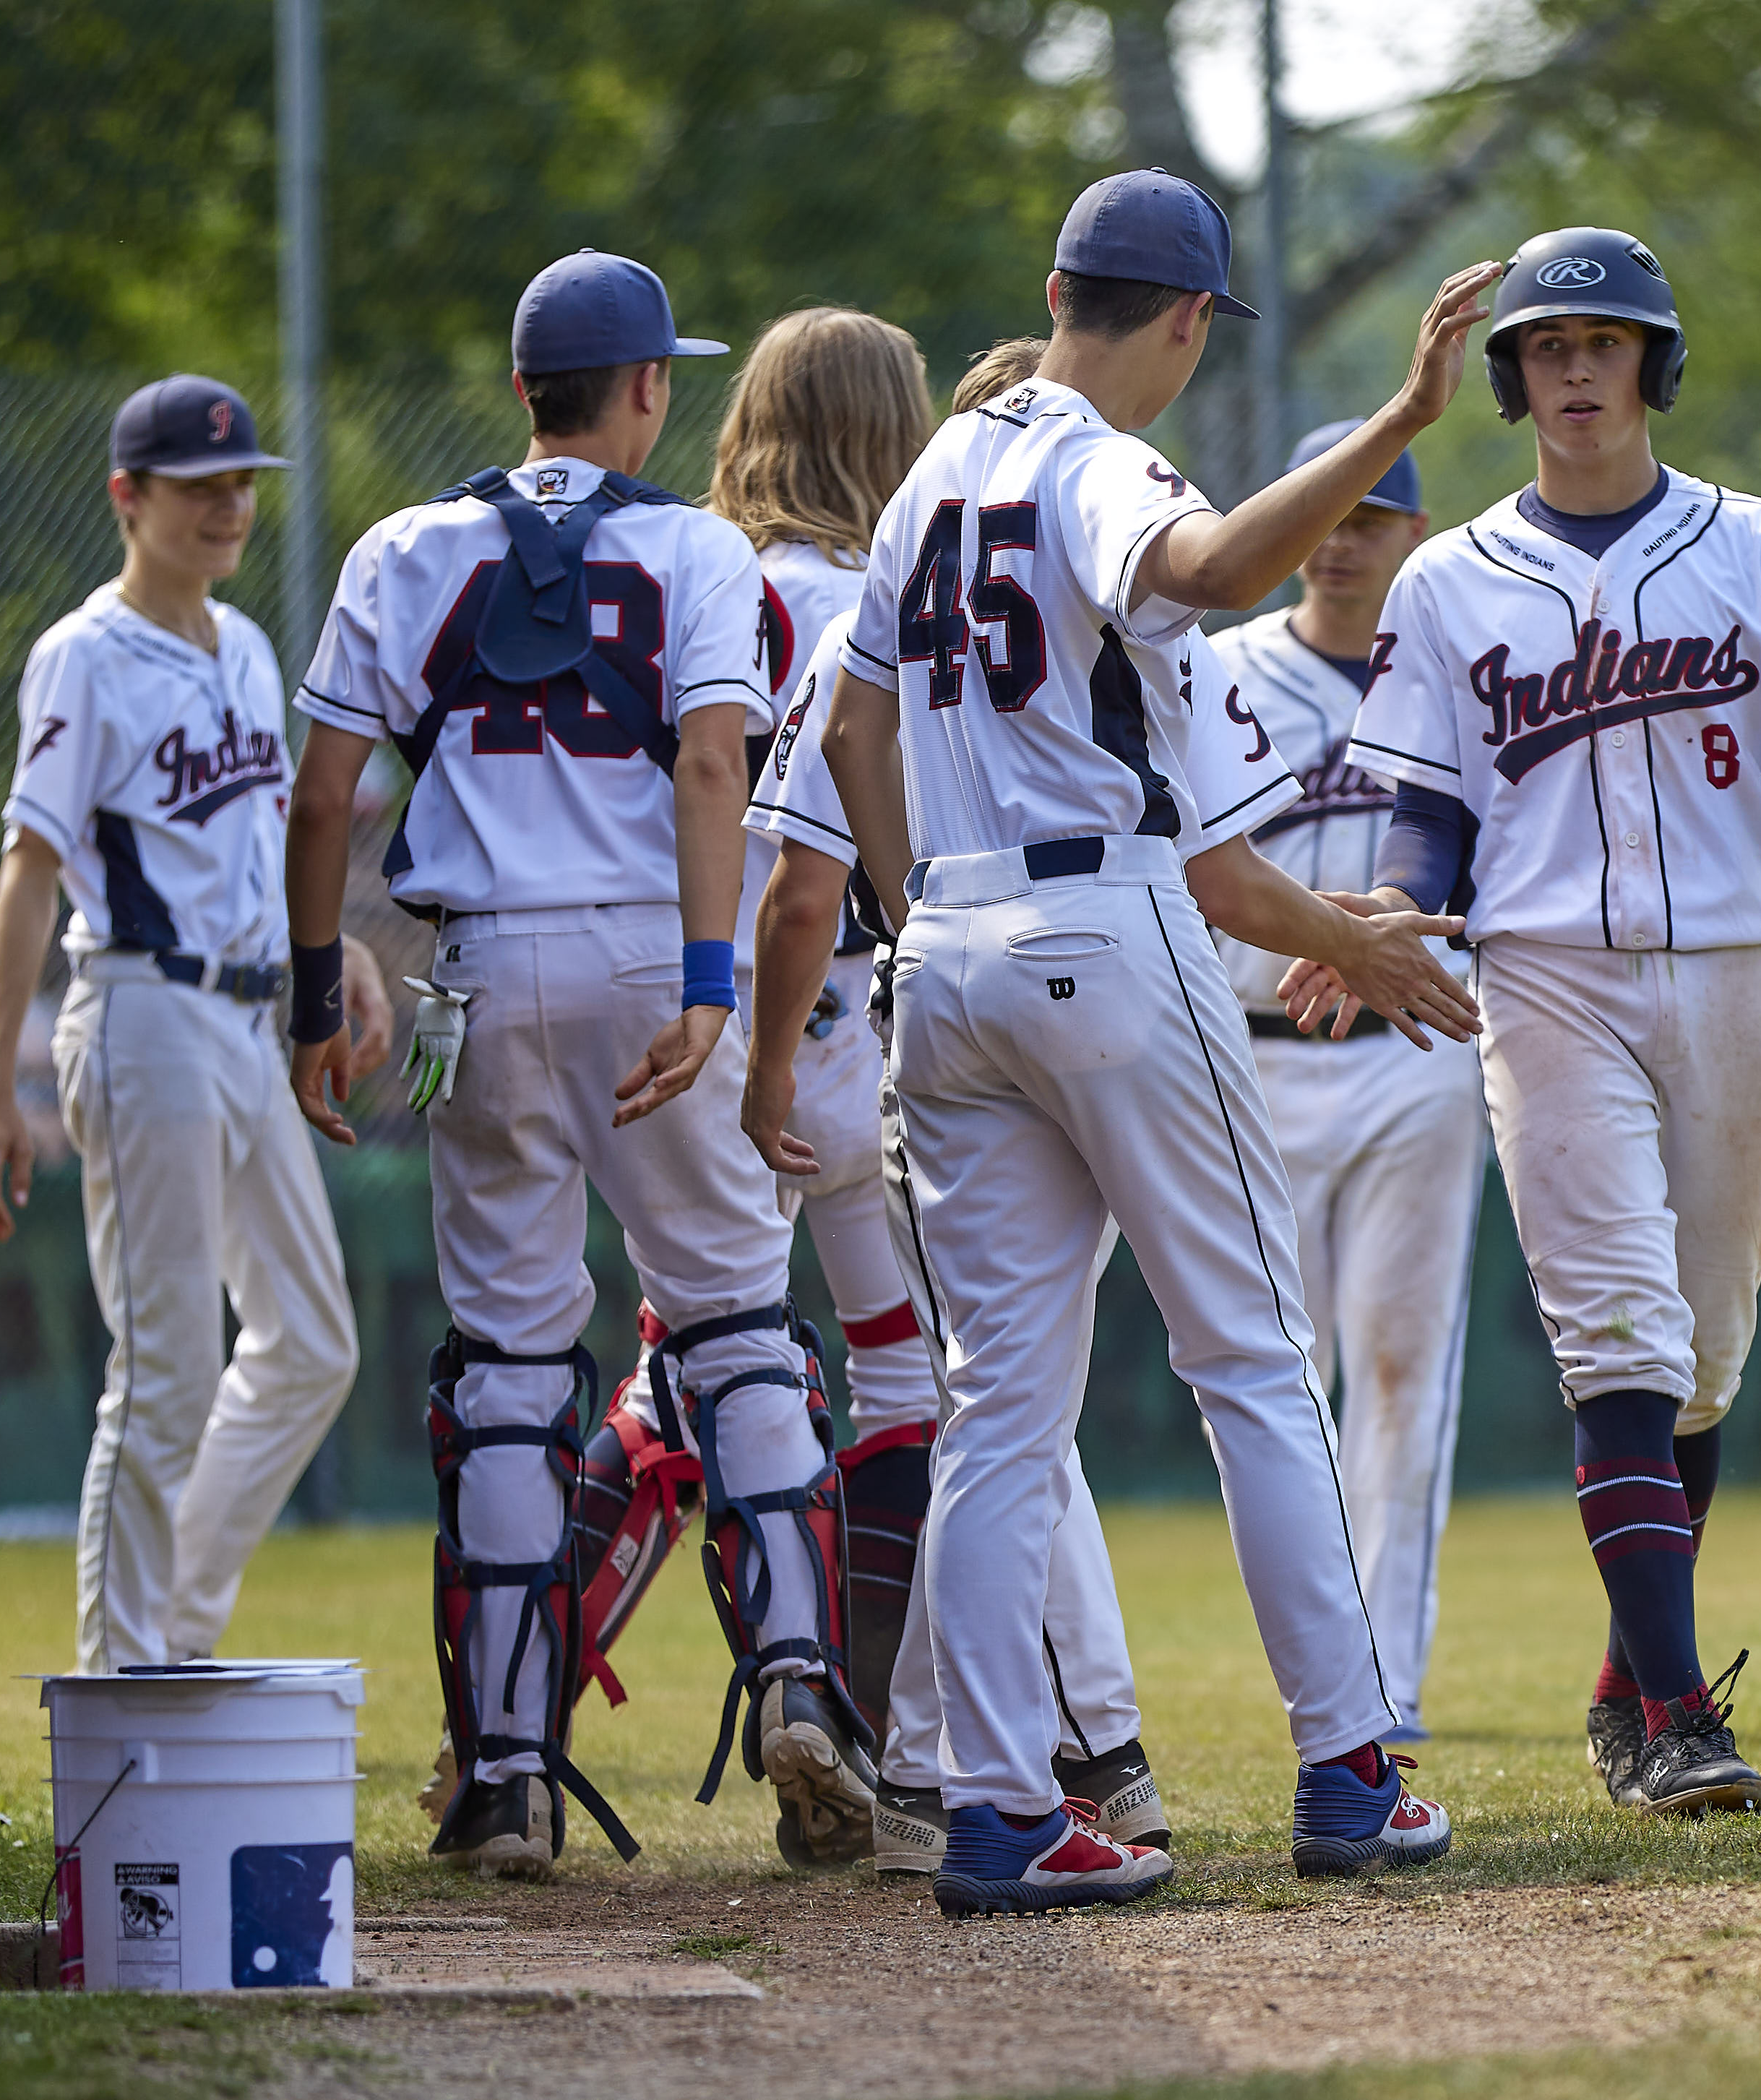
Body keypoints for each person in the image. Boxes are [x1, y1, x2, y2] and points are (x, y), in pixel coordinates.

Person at [824, 168, 1497, 1916]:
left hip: (953, 951)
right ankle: (1351, 1776)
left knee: (998, 1409)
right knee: (1255, 1360)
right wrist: (1403, 419)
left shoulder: (929, 476)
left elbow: (847, 727)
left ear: (1057, 283)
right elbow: (1205, 571)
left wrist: (918, 919)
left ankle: (995, 1809)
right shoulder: (1098, 466)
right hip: (1109, 940)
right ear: (1190, 323)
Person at [283, 251, 874, 1881]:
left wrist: (312, 990)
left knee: (507, 1371)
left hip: (473, 966)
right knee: (745, 1325)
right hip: (644, 952)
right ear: (645, 389)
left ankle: (510, 1776)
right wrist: (703, 986)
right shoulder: (695, 548)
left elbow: (324, 795)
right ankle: (801, 1689)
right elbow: (707, 756)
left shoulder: (407, 544)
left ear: (525, 388)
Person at [1335, 227, 1761, 1816]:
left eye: (1604, 341)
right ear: (1512, 378)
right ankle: (1674, 1717)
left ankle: (1620, 1682)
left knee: (1704, 1364)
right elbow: (1424, 812)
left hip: (1731, 966)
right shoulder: (1451, 578)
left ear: (1653, 365)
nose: (1575, 369)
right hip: (1545, 980)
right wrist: (1390, 915)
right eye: (1545, 346)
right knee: (1618, 1336)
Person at [739, 331, 1173, 1877]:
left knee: (741, 1377)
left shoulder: (781, 591)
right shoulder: (1011, 602)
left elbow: (796, 868)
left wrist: (764, 1054)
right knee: (999, 1403)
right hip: (1008, 989)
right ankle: (1057, 1752)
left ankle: (870, 1714)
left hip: (813, 1013)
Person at [0, 373, 377, 1676]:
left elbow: (256, 850)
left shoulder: (242, 647)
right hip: (142, 1014)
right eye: (199, 488)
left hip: (247, 1020)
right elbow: (28, 868)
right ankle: (124, 1680)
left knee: (311, 1342)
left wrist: (336, 948)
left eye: (241, 482)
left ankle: (171, 1633)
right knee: (168, 1365)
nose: (228, 506)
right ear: (127, 497)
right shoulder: (84, 655)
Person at [1207, 420, 1481, 1742]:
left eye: (1376, 514)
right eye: (1332, 510)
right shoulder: (1218, 671)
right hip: (1247, 1060)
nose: (1346, 535)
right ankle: (1316, 1669)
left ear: (1410, 537)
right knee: (1272, 1373)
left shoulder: (1450, 678)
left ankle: (1384, 1682)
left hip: (1413, 1057)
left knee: (1396, 1368)